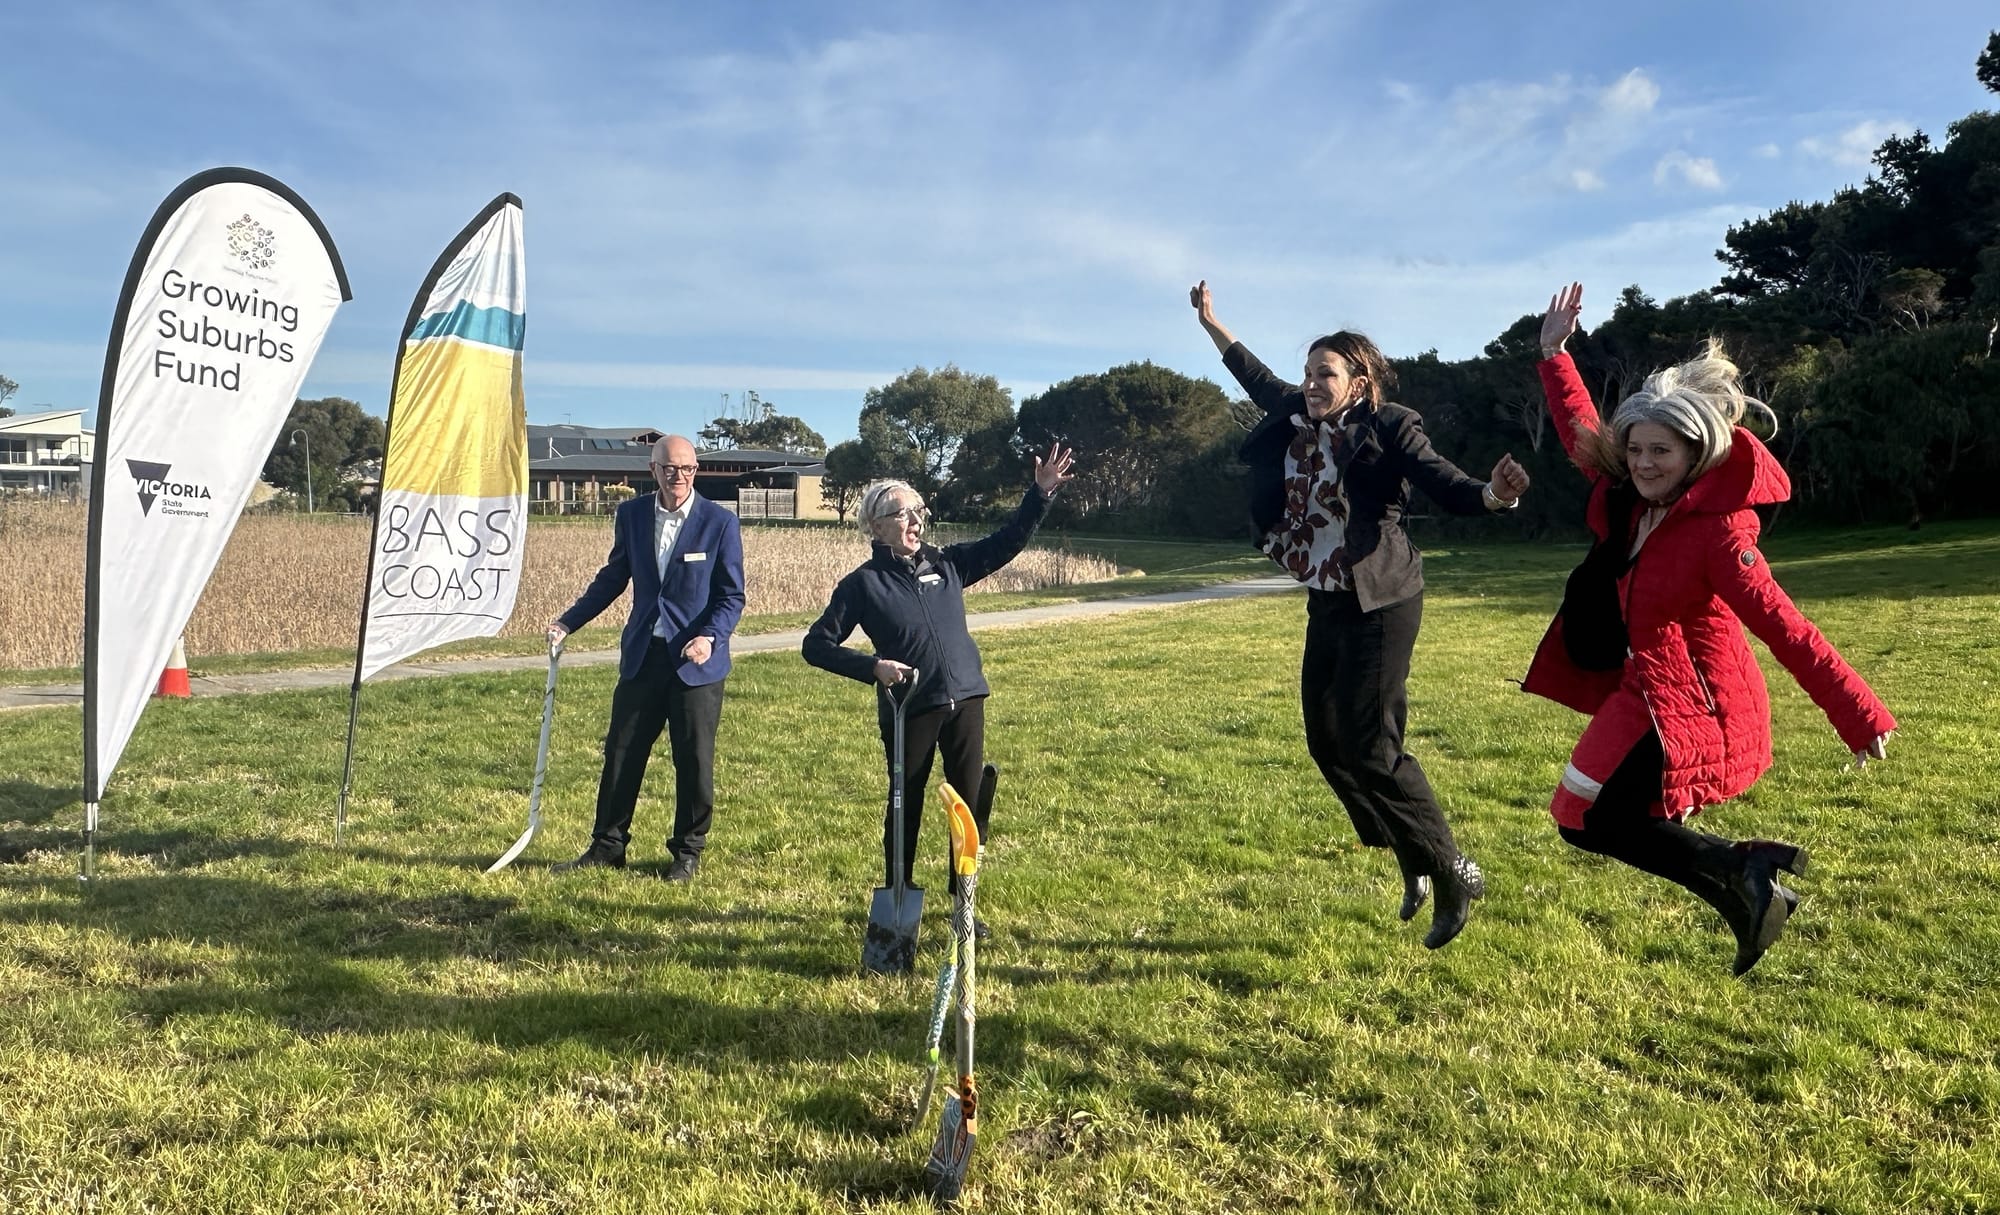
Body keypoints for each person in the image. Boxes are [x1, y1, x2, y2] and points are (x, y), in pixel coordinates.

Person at [1527, 282, 1895, 975]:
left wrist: (1858, 711)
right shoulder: (1630, 503)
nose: (1642, 464)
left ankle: (1745, 874)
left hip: (1700, 702)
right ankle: (1745, 883)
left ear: (1696, 451)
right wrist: (1554, 355)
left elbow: (1786, 625)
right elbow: (1584, 437)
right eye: (1635, 449)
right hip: (1642, 691)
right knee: (1576, 817)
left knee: (1604, 819)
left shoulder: (1720, 536)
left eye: (1660, 451)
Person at [1190, 280, 1531, 949]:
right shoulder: (1300, 413)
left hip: (1385, 597)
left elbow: (1447, 482)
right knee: (1327, 739)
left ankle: (1455, 870)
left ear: (1359, 379)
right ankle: (1411, 854)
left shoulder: (1391, 425)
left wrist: (1494, 495)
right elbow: (1253, 375)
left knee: (1374, 747)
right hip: (1329, 598)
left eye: (1328, 372)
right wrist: (1210, 321)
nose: (1313, 383)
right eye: (1309, 371)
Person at [803, 444, 1075, 936]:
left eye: (919, 511)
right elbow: (815, 645)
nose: (915, 521)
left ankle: (963, 905)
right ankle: (898, 902)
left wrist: (1040, 493)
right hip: (911, 709)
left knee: (967, 806)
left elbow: (1008, 541)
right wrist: (873, 666)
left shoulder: (948, 564)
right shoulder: (861, 585)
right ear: (875, 526)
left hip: (966, 699)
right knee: (904, 803)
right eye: (902, 513)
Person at [547, 434, 745, 882]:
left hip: (696, 663)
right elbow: (613, 577)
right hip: (643, 656)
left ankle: (687, 852)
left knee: (693, 760)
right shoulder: (632, 515)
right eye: (671, 469)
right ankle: (608, 846)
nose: (680, 478)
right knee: (621, 752)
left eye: (688, 470)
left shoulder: (719, 523)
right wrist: (568, 622)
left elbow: (731, 596)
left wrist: (710, 638)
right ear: (653, 470)